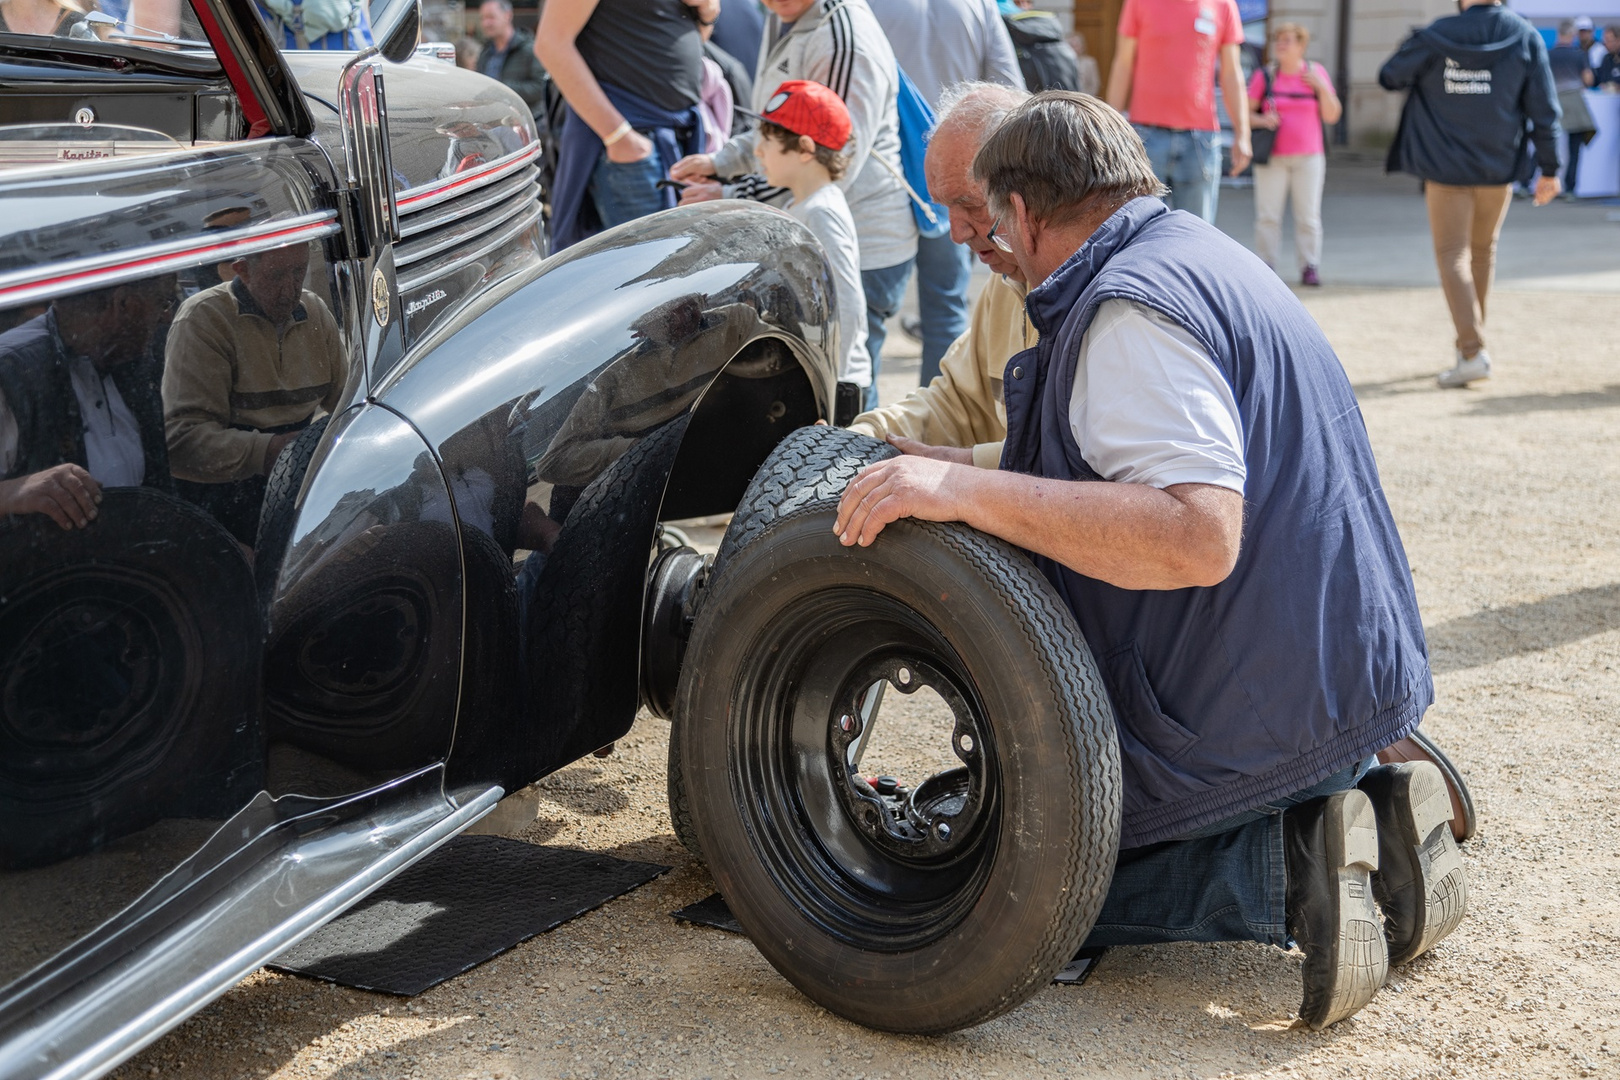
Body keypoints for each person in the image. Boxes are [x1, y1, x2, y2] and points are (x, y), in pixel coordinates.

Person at [834, 91, 1467, 1030]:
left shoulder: (1126, 314)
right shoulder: (1197, 255)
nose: (978, 240)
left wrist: (962, 495)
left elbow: (1197, 533)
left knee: (999, 878)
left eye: (988, 216)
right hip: (1338, 673)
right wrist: (952, 468)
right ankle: (1374, 802)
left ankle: (1289, 865)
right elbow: (1109, 456)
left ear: (1030, 210)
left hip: (1249, 703)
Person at [671, 0, 917, 412]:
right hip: (807, 217)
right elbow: (785, 124)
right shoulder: (786, 15)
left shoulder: (843, 39)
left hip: (869, 250)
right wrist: (722, 162)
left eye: (768, 146)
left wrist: (734, 194)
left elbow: (833, 146)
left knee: (852, 422)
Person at [1379, 0, 1562, 389]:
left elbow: (1390, 76)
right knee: (1482, 251)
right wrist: (1550, 169)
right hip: (1498, 167)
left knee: (1452, 254)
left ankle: (1471, 351)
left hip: (1445, 166)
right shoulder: (1524, 35)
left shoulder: (1437, 35)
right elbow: (1545, 109)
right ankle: (1472, 347)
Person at [849, 81, 1032, 469]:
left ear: (1028, 193)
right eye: (946, 207)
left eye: (969, 205)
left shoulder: (1101, 296)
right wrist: (857, 440)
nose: (956, 233)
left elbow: (1081, 462)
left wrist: (961, 466)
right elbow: (955, 401)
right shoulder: (1006, 285)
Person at [867, 0, 1023, 387]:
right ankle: (934, 434)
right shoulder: (978, 5)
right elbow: (1012, 91)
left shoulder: (867, 6)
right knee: (946, 308)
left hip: (888, 179)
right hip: (963, 184)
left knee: (869, 316)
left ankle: (859, 436)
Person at [163, 244, 346, 547]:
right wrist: (271, 450)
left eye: (298, 272)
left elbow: (347, 404)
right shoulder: (203, 318)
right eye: (276, 276)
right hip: (226, 499)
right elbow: (182, 443)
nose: (290, 290)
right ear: (242, 271)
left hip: (296, 483)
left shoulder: (314, 311)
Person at [536, 0, 716, 250]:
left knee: (677, 265)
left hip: (674, 141)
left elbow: (685, 40)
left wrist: (707, 13)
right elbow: (551, 43)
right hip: (632, 144)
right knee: (651, 269)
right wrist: (619, 137)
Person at [0, 278, 177, 530]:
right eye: (163, 302)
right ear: (123, 303)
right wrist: (11, 493)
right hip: (39, 565)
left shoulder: (135, 362)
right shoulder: (11, 371)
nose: (167, 317)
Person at [753, 80, 871, 394]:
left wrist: (834, 382)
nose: (757, 151)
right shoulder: (798, 204)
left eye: (768, 140)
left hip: (837, 383)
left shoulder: (821, 212)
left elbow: (847, 302)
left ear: (805, 149)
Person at [1105, 0, 1251, 224]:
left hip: (1200, 140)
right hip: (1145, 137)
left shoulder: (1223, 4)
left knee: (1197, 235)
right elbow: (1123, 63)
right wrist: (1108, 129)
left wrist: (1243, 134)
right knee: (1139, 235)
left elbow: (1232, 73)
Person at [1248, 22, 1341, 287]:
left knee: (1309, 217)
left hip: (1310, 158)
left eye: (1287, 40)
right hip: (1272, 158)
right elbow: (1245, 114)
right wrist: (1263, 120)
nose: (1280, 44)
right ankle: (1265, 266)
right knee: (1268, 216)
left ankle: (1309, 266)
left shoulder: (1316, 73)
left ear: (1301, 46)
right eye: (1278, 40)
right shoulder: (1264, 76)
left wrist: (1322, 87)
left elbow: (1332, 115)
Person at [1549, 20, 1597, 199]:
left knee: (1546, 144)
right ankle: (1570, 189)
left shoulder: (1548, 54)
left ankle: (1529, 183)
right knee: (1574, 148)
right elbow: (1588, 80)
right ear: (1572, 35)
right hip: (1574, 104)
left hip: (1552, 103)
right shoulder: (1579, 55)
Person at [476, 0, 547, 117]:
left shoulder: (529, 49)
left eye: (491, 17)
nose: (485, 23)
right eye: (482, 18)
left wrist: (503, 90)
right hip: (491, 122)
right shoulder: (485, 52)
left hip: (523, 122)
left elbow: (541, 87)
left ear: (508, 15)